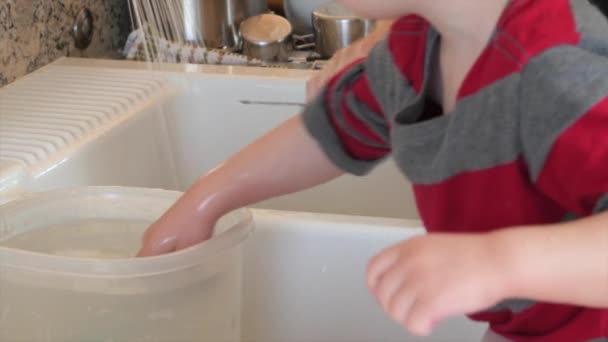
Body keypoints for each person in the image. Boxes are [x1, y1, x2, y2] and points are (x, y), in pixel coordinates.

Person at [137, 0, 608, 341]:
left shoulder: (556, 64)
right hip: (530, 326)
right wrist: (209, 196)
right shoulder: (417, 47)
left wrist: (498, 263)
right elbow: (333, 130)